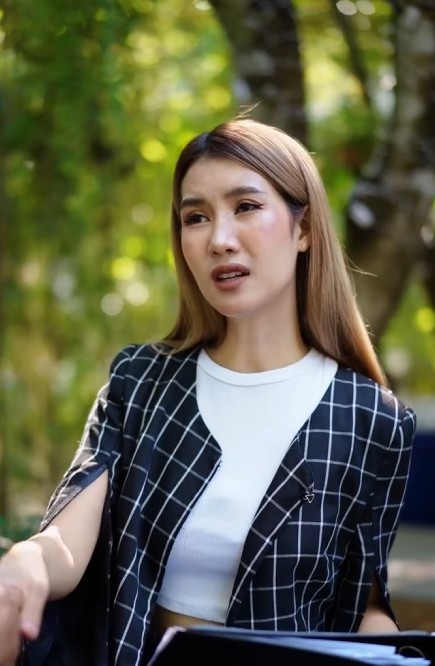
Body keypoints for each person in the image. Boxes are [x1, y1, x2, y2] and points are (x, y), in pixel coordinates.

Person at [0, 118, 415, 666]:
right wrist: (26, 561)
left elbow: (361, 604)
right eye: (196, 217)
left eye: (246, 206)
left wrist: (396, 653)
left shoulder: (372, 420)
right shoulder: (140, 382)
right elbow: (64, 544)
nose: (219, 240)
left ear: (305, 229)